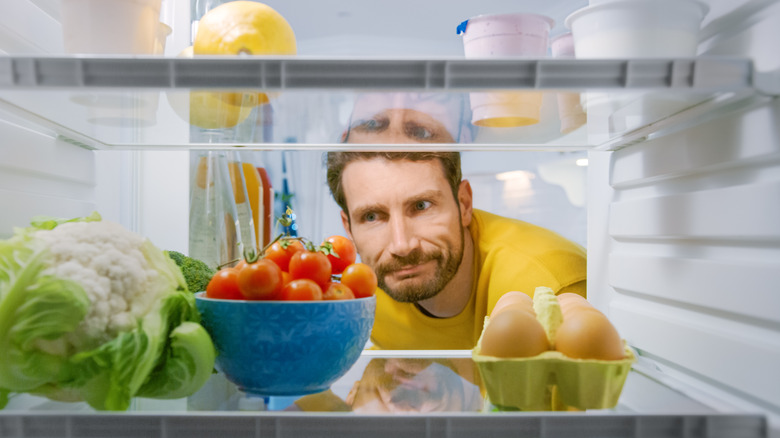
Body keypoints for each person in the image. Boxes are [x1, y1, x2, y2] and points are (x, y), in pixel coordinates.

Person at [325, 94, 587, 350]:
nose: (402, 245)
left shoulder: (553, 289)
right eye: (372, 217)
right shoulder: (364, 298)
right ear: (348, 228)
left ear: (463, 204)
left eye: (421, 206)